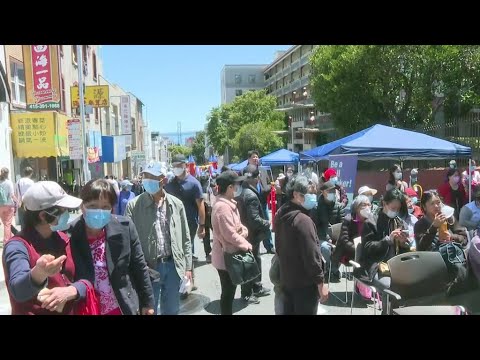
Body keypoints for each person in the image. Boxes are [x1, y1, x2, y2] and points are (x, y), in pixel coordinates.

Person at [68, 179, 154, 315]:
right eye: (92, 206)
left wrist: (147, 303)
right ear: (82, 206)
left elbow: (139, 266)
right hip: (87, 308)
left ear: (112, 208)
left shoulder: (125, 227)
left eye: (105, 207)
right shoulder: (70, 234)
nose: (98, 211)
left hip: (120, 307)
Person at [2, 181, 85, 315]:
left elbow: (85, 277)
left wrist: (73, 290)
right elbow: (18, 290)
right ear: (43, 216)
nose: (67, 215)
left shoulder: (64, 239)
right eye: (63, 211)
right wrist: (39, 273)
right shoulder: (17, 246)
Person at [126, 162, 193, 315]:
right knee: (148, 310)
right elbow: (128, 241)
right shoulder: (134, 206)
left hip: (173, 265)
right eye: (145, 176)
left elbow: (186, 238)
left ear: (163, 180)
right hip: (148, 269)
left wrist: (188, 267)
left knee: (171, 310)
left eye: (151, 177)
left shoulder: (176, 204)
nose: (146, 180)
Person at [275, 175, 328, 315]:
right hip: (305, 285)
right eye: (310, 193)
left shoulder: (281, 212)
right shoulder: (304, 221)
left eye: (315, 193)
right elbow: (312, 256)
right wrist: (321, 284)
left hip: (287, 279)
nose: (313, 196)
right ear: (297, 195)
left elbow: (278, 247)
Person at [361, 188, 411, 313]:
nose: (395, 212)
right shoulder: (371, 222)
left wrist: (403, 243)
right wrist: (388, 240)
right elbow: (367, 249)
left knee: (413, 283)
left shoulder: (399, 222)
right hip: (376, 266)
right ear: (384, 204)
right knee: (389, 287)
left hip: (396, 265)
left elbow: (406, 250)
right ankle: (386, 312)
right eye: (393, 208)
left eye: (398, 209)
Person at [211, 171, 252, 315]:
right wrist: (246, 244)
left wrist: (244, 232)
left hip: (230, 254)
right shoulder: (222, 207)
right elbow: (230, 234)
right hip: (226, 257)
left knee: (229, 291)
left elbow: (239, 226)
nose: (238, 187)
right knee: (228, 293)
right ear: (229, 187)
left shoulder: (229, 204)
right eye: (236, 185)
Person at [236, 164, 271, 303]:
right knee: (249, 263)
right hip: (251, 234)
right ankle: (247, 293)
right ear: (256, 179)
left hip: (247, 234)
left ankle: (256, 287)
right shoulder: (250, 195)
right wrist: (267, 223)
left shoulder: (242, 191)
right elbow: (254, 219)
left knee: (255, 261)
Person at [164, 154, 205, 264]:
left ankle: (188, 272)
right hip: (172, 222)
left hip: (190, 222)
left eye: (179, 165)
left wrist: (202, 225)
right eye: (174, 166)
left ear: (185, 166)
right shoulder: (169, 185)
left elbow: (200, 205)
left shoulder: (194, 184)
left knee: (186, 248)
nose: (176, 168)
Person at [315, 181, 346, 282]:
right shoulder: (316, 207)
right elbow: (315, 226)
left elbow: (343, 225)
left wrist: (337, 238)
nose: (333, 193)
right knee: (325, 247)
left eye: (334, 191)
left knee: (343, 247)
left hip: (336, 237)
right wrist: (326, 237)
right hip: (321, 237)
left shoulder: (339, 206)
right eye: (330, 191)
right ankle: (331, 268)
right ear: (323, 192)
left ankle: (333, 268)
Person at [332, 195, 372, 270]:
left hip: (365, 252)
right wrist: (358, 250)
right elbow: (345, 241)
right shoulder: (348, 219)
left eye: (369, 205)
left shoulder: (371, 220)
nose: (367, 207)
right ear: (357, 208)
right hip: (348, 252)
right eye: (364, 205)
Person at [246, 150, 274, 253]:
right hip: (250, 202)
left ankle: (269, 246)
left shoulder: (262, 170)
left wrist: (267, 189)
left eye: (257, 157)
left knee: (266, 223)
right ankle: (251, 246)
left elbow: (267, 182)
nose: (255, 159)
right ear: (249, 159)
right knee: (252, 224)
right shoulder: (245, 171)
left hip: (262, 201)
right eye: (253, 157)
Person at [0, 167, 17, 244]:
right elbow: (12, 195)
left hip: (0, 206)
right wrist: (17, 202)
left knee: (5, 224)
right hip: (9, 205)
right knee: (7, 224)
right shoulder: (9, 183)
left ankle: (9, 238)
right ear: (8, 174)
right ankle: (6, 241)